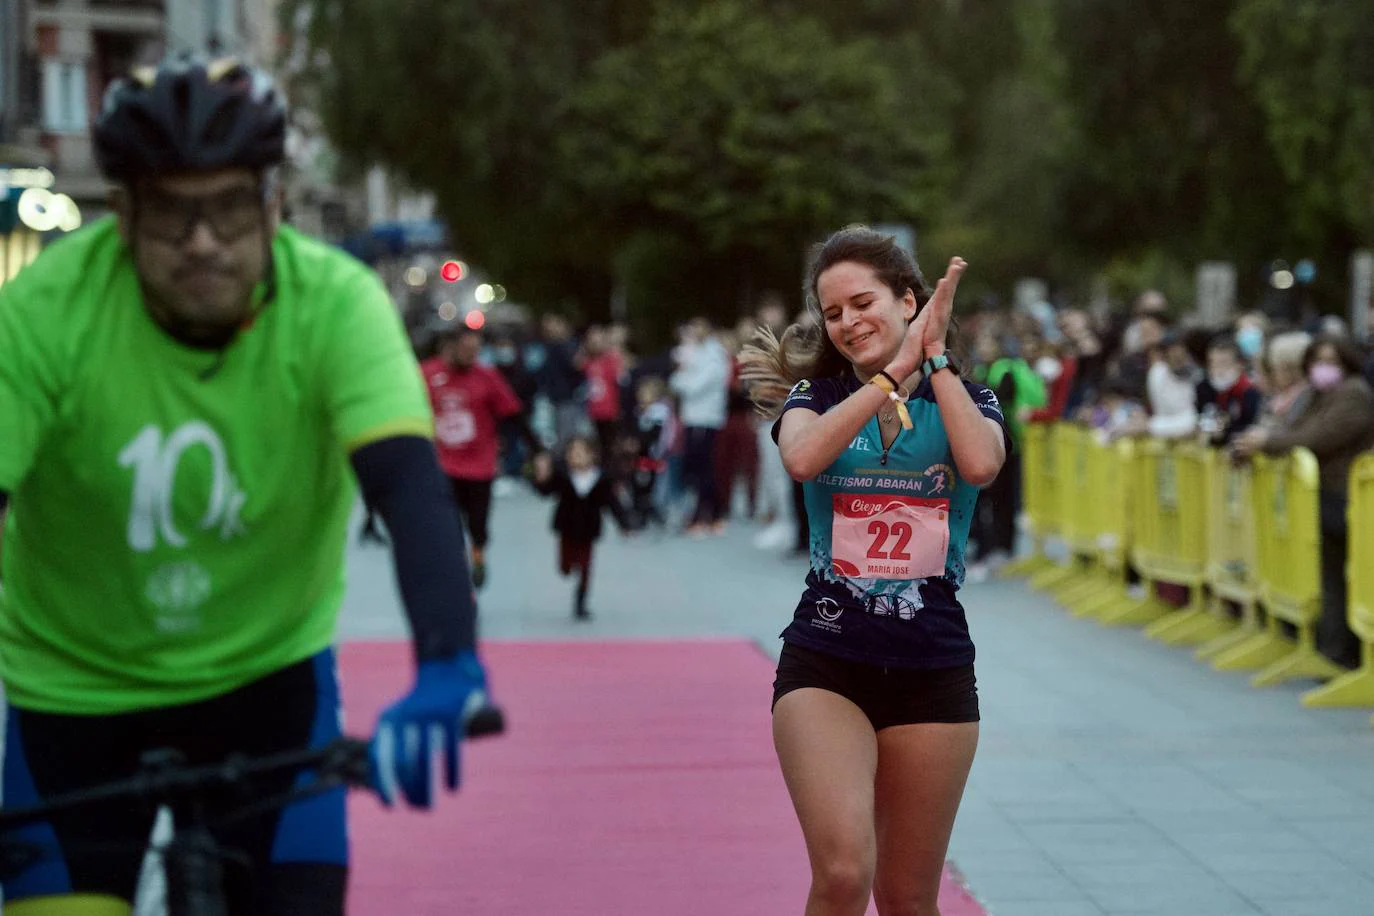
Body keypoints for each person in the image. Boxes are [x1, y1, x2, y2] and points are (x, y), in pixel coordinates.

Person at [0, 56, 494, 915]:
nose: (201, 241)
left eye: (228, 207)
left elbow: (409, 491)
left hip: (267, 680)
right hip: (70, 694)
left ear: (272, 206)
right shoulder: (43, 312)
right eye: (171, 212)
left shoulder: (336, 304)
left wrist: (448, 662)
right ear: (122, 215)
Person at [740, 226, 1009, 916]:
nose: (850, 323)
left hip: (933, 668)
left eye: (863, 303)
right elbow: (802, 461)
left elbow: (980, 465)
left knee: (908, 897)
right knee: (842, 871)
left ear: (908, 300)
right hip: (828, 660)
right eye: (834, 314)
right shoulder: (816, 397)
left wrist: (935, 360)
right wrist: (891, 376)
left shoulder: (966, 399)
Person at [1232, 334, 1374, 669]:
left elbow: (1316, 437)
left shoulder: (1353, 394)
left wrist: (1266, 442)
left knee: (1341, 578)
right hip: (1323, 496)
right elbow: (1292, 428)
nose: (1324, 369)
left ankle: (1343, 652)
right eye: (1318, 361)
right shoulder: (1316, 394)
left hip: (1346, 498)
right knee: (1328, 577)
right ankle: (1332, 649)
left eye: (1332, 361)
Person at [421, 326, 541, 589]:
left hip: (479, 467)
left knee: (478, 525)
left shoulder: (487, 377)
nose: (471, 356)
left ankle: (477, 556)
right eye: (466, 350)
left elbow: (514, 415)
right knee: (447, 527)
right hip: (442, 466)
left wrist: (539, 451)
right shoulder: (428, 374)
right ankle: (456, 573)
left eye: (475, 351)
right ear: (450, 347)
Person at [531, 436, 632, 620]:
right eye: (572, 453)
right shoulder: (563, 476)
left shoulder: (601, 479)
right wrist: (539, 478)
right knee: (565, 567)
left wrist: (624, 524)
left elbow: (612, 504)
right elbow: (546, 490)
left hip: (589, 529)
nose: (576, 457)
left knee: (586, 567)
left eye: (581, 453)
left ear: (592, 456)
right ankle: (569, 566)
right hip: (566, 528)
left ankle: (581, 603)